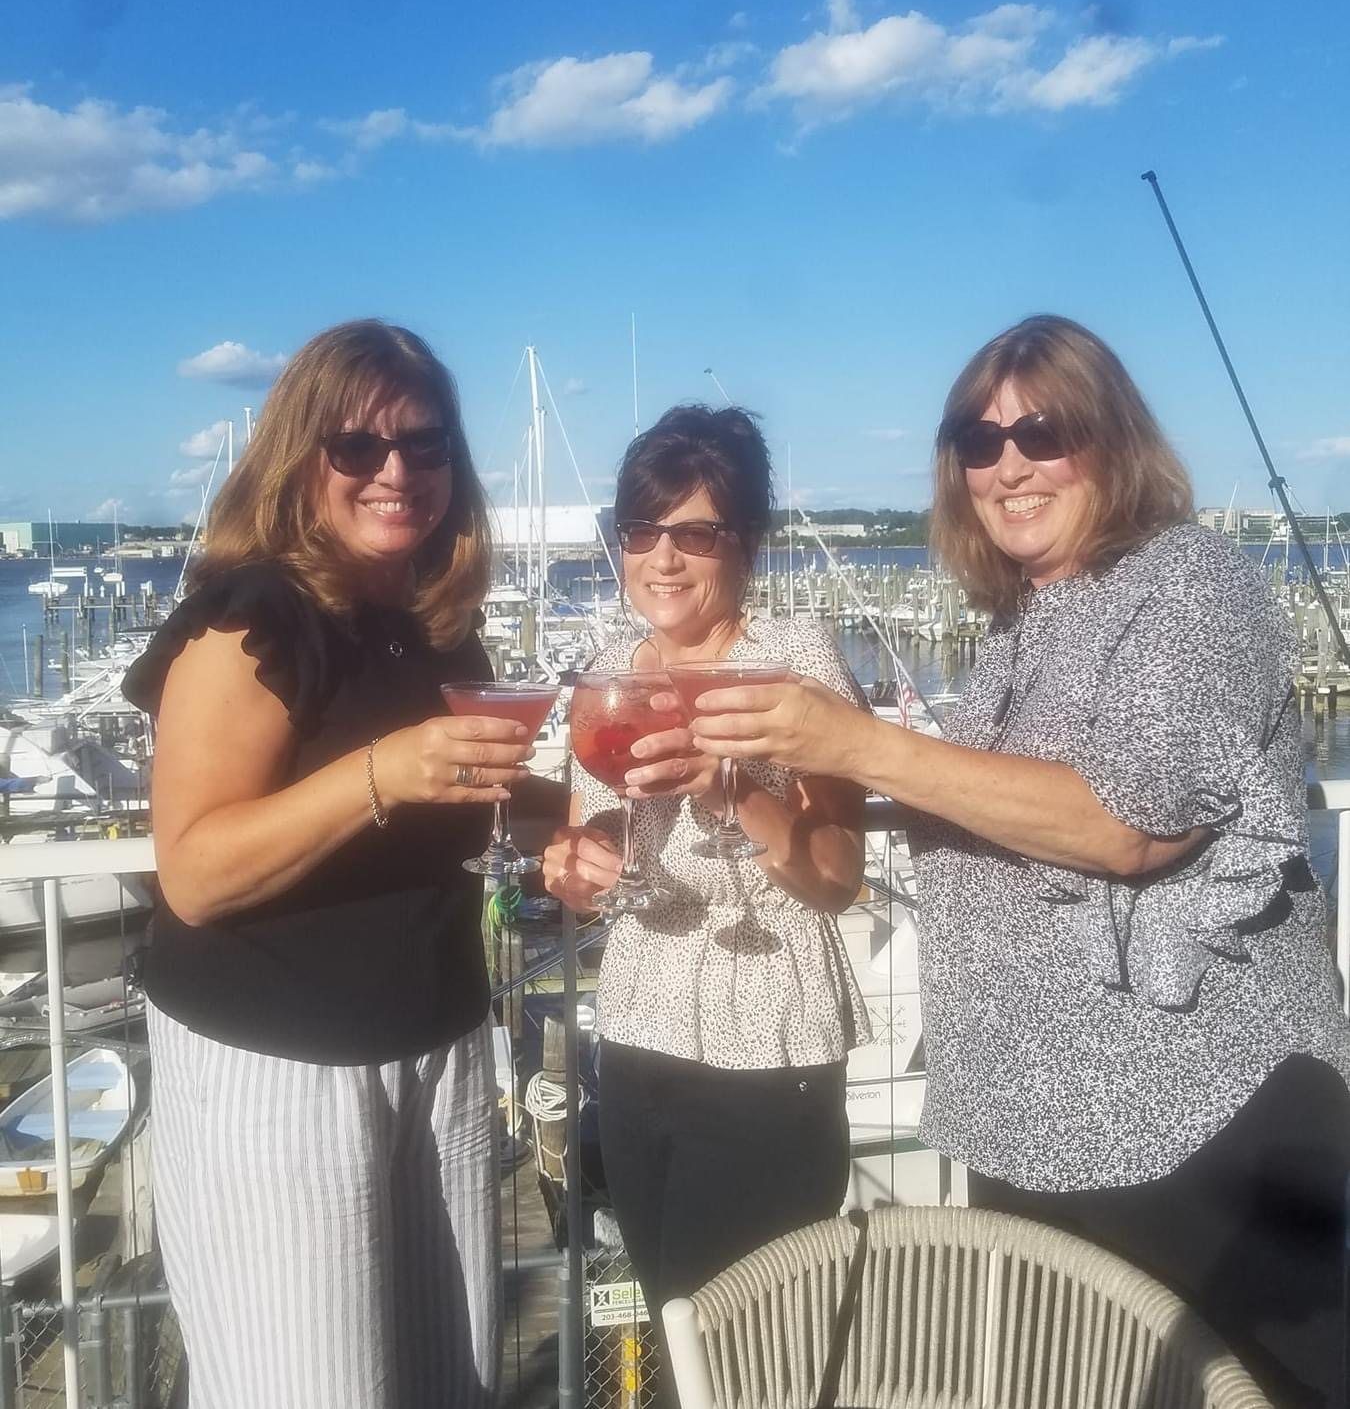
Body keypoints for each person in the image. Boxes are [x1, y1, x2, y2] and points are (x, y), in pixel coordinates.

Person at [689, 315, 1350, 1409]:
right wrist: (747, 777)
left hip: (1195, 1120)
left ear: (1113, 438)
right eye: (976, 439)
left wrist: (853, 740)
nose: (1007, 464)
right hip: (1031, 1121)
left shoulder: (1189, 581)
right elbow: (986, 807)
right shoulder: (1021, 619)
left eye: (1043, 433)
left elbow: (1130, 824)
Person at [123, 321, 532, 1409]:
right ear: (302, 459)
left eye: (426, 444)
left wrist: (558, 825)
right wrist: (383, 772)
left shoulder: (436, 631)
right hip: (280, 1072)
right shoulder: (252, 619)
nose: (397, 471)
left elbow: (454, 805)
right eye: (359, 446)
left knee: (451, 1383)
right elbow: (196, 873)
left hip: (436, 1054)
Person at [541, 404, 870, 1331]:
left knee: (756, 1346)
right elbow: (584, 838)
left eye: (696, 531)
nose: (663, 557)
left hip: (769, 1040)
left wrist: (727, 790)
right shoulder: (611, 667)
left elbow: (838, 873)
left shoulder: (792, 660)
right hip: (641, 1030)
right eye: (643, 529)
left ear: (748, 541)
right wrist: (569, 865)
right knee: (673, 1319)